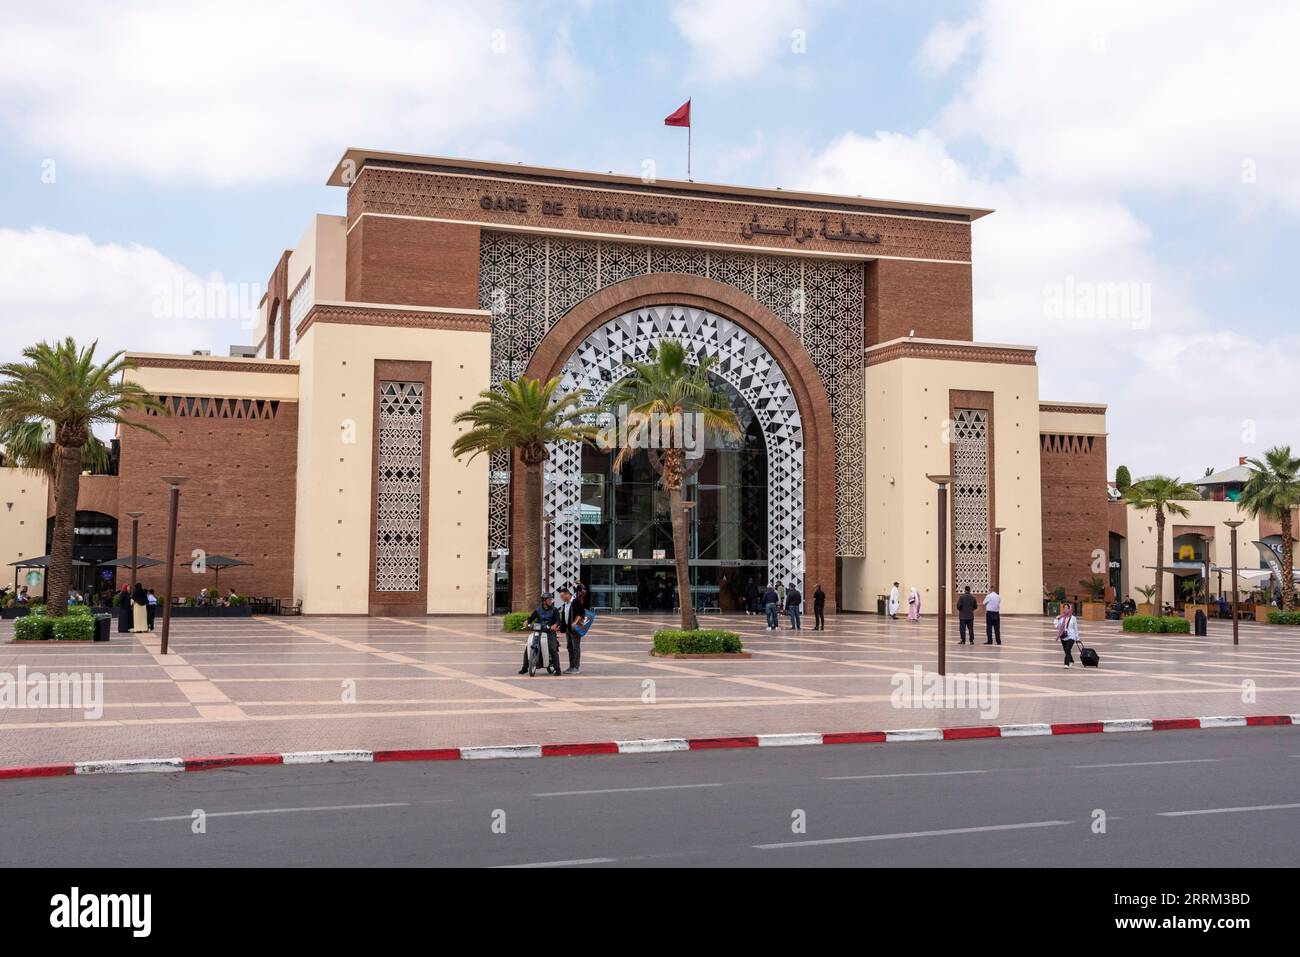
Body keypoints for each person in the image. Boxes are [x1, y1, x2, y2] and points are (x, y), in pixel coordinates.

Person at [519, 593, 563, 675]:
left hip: (549, 632)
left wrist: (555, 625)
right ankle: (525, 667)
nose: (551, 601)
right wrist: (527, 622)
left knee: (553, 648)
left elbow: (558, 620)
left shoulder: (554, 610)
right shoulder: (538, 610)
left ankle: (558, 670)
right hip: (538, 631)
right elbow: (531, 618)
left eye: (551, 599)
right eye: (549, 599)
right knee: (528, 646)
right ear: (544, 601)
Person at [557, 584, 589, 675]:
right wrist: (561, 627)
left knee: (576, 648)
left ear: (568, 594)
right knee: (569, 647)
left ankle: (576, 667)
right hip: (568, 629)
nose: (562, 598)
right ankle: (571, 666)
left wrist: (575, 622)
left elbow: (581, 613)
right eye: (561, 597)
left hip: (575, 629)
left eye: (563, 596)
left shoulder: (575, 602)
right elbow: (565, 617)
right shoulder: (565, 604)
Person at [1054, 601, 1080, 668]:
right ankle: (1071, 660)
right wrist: (1056, 619)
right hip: (1063, 636)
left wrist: (1077, 638)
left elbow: (1075, 628)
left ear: (1069, 609)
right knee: (1066, 650)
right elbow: (1057, 626)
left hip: (1071, 636)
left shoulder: (1073, 618)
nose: (1065, 609)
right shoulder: (1061, 617)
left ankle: (1066, 663)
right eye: (1064, 608)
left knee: (1068, 649)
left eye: (1067, 608)